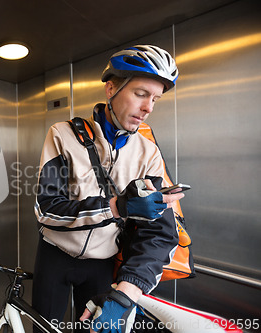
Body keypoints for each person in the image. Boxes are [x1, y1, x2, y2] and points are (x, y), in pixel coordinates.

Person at [32, 45, 184, 333]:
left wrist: (128, 292)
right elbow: (46, 210)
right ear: (111, 88)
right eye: (141, 94)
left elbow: (160, 233)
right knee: (44, 329)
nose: (148, 108)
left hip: (102, 264)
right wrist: (115, 207)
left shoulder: (148, 153)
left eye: (155, 99)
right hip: (55, 256)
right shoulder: (62, 134)